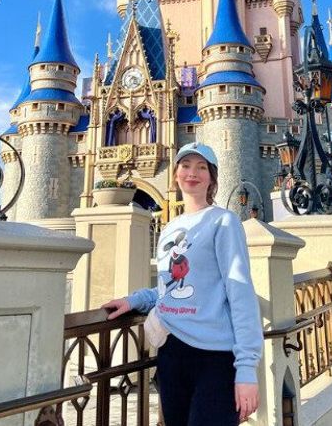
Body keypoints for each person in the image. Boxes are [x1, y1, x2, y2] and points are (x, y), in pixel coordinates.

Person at [102, 142, 262, 425]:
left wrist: (247, 368)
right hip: (172, 355)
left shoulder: (223, 222)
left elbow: (240, 293)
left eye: (202, 167)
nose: (193, 173)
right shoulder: (169, 229)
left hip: (214, 357)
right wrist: (136, 300)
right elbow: (171, 286)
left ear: (212, 177)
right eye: (186, 166)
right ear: (175, 173)